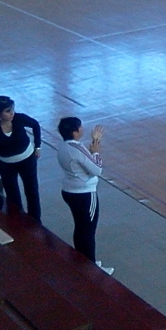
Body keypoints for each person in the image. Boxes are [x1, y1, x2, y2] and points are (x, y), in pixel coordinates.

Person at [57, 117, 113, 275]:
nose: (82, 128)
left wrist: (93, 144)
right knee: (88, 230)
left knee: (80, 227)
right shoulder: (77, 148)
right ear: (75, 132)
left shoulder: (63, 146)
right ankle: (90, 268)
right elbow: (96, 169)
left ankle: (82, 260)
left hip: (69, 190)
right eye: (80, 127)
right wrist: (96, 152)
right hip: (84, 194)